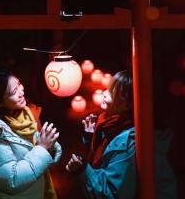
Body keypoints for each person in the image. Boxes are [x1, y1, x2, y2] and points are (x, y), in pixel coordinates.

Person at [66, 70, 177, 199]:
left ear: (128, 104)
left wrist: (83, 171)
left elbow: (112, 193)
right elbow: (109, 157)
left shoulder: (129, 141)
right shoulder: (115, 125)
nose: (104, 93)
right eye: (108, 88)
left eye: (113, 91)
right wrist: (92, 139)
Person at [0, 68, 62, 199]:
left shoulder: (24, 115)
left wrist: (50, 147)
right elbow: (11, 180)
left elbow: (40, 159)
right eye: (13, 92)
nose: (21, 92)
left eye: (18, 84)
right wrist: (42, 148)